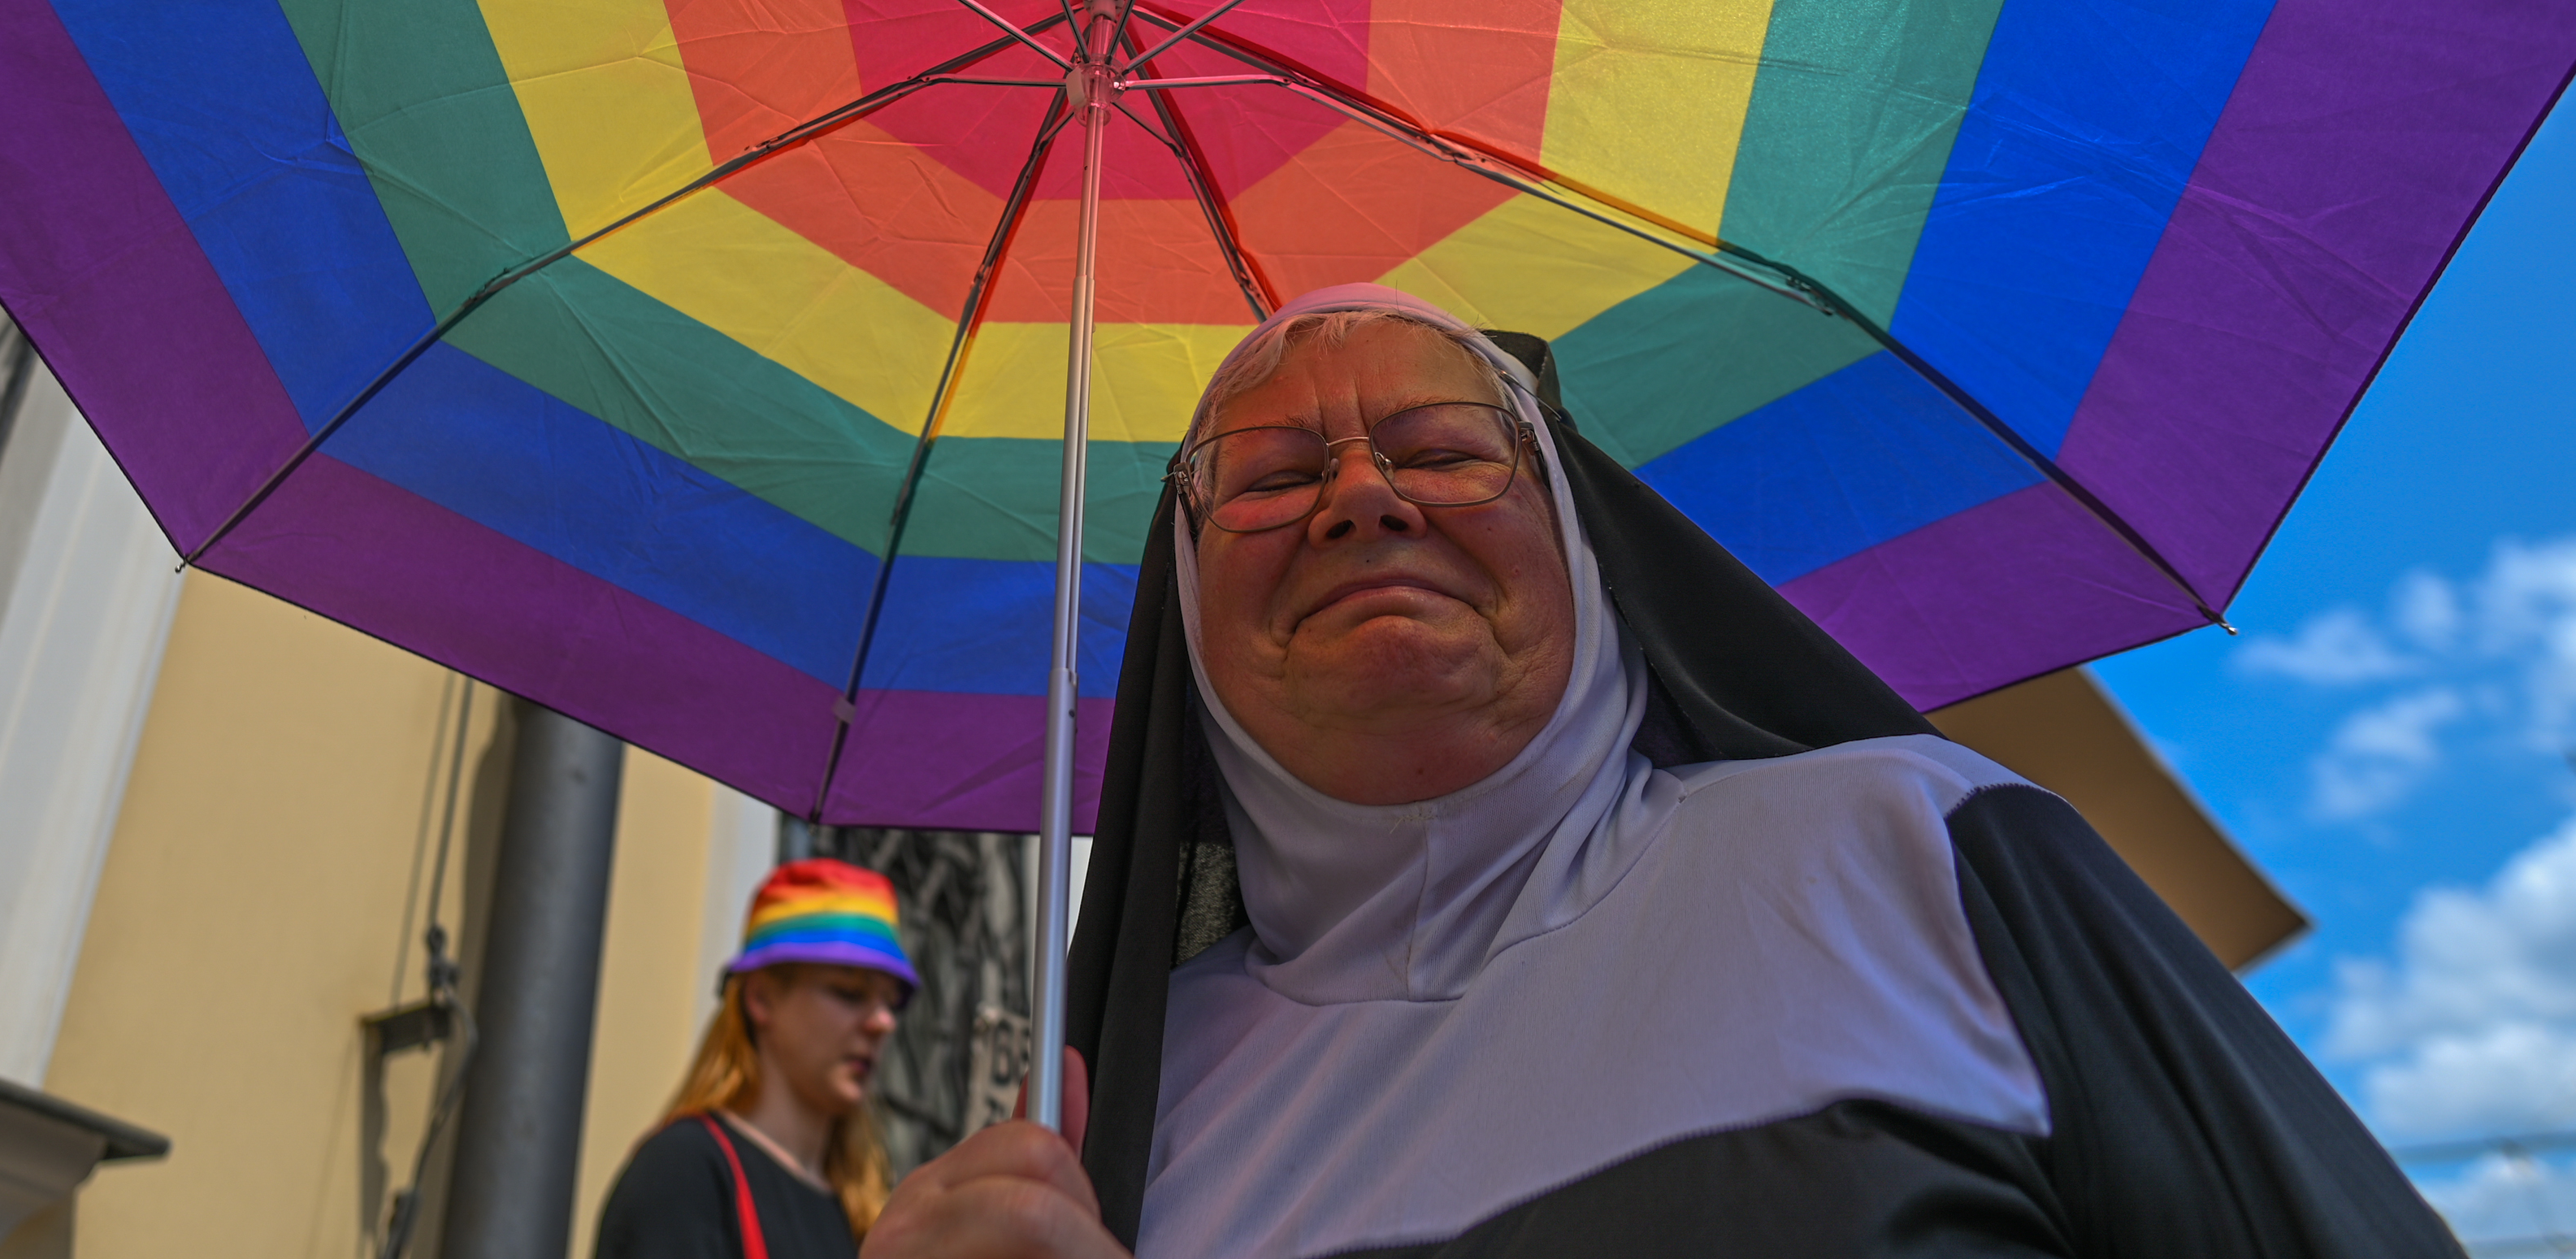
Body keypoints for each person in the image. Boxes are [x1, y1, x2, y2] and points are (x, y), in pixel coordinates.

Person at [865, 285, 2457, 1258]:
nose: (1359, 496)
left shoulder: (1914, 850)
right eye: (1269, 476)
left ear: (1576, 535)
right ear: (1186, 610)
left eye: (1439, 445)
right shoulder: (1104, 1119)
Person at [595, 858, 920, 1259]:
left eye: (891, 1003)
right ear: (761, 998)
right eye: (849, 992)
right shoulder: (686, 1173)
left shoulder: (862, 1213)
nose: (883, 1023)